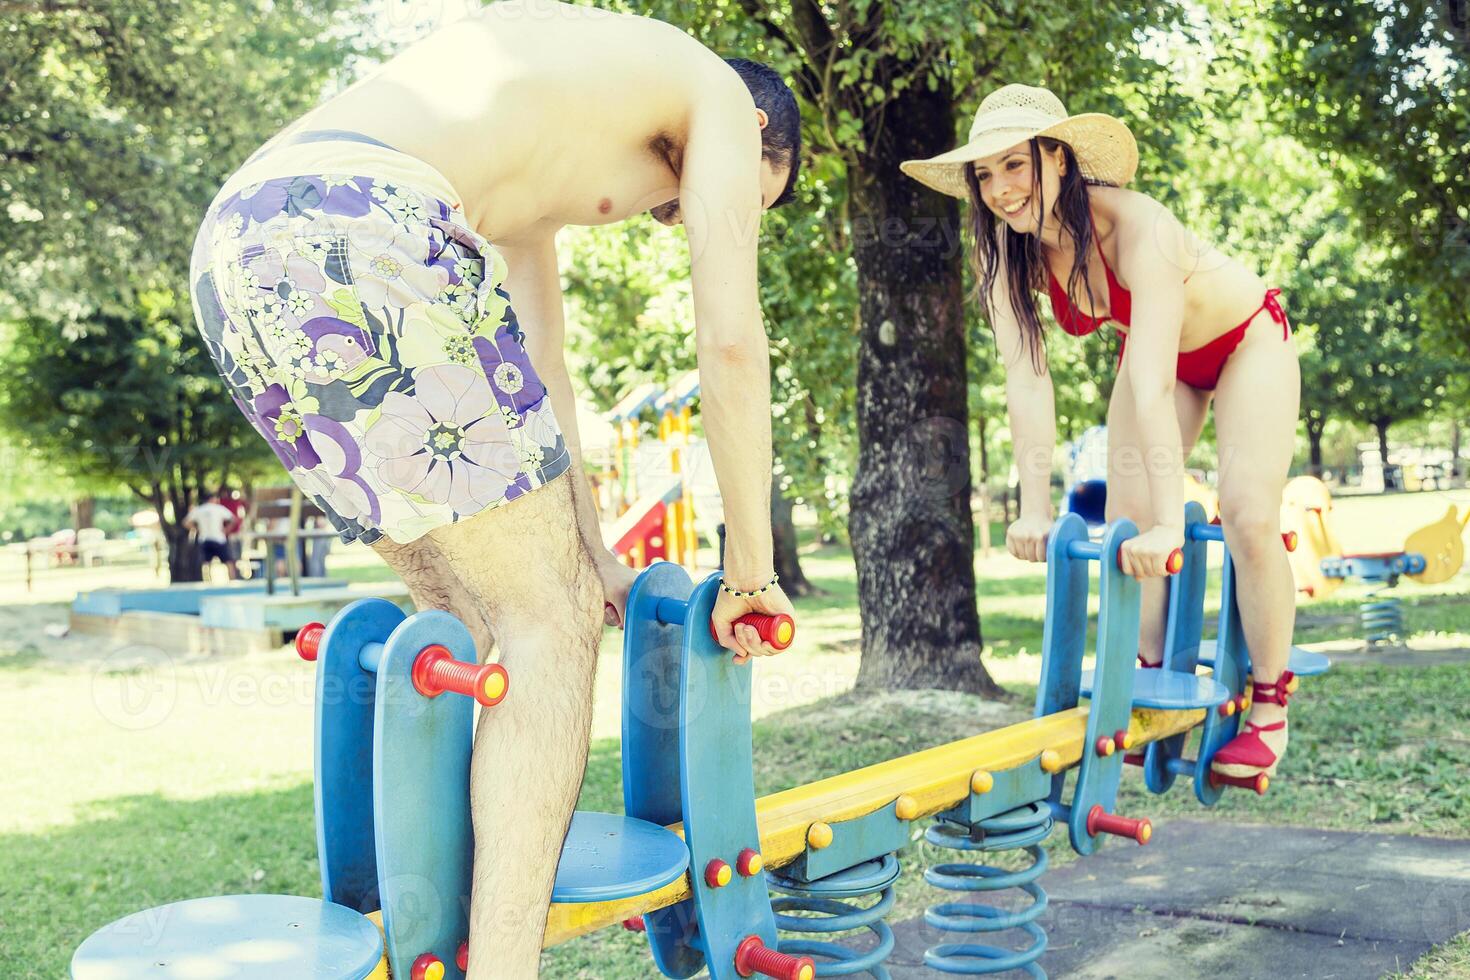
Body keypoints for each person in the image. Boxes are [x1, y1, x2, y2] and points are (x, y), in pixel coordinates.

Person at [187, 3, 799, 973]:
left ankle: (432, 928)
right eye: (738, 198)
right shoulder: (718, 92)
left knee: (472, 619)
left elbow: (532, 368)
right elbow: (729, 337)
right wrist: (753, 572)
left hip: (243, 247)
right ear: (761, 135)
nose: (684, 215)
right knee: (551, 625)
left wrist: (593, 545)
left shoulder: (540, 134)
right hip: (366, 221)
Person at [902, 84, 1299, 785]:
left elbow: (1147, 381)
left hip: (1244, 343)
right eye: (985, 175)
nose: (1000, 190)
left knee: (1246, 513)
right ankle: (1147, 691)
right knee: (1125, 522)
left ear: (1058, 158)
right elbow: (1025, 380)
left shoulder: (1141, 228)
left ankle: (1269, 704)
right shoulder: (1003, 250)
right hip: (1162, 361)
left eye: (1015, 166)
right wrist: (1031, 507)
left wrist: (1173, 522)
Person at [183, 493, 238, 580]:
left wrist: (197, 529)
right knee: (228, 562)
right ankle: (233, 581)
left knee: (206, 563)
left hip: (204, 538)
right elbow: (233, 519)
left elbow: (186, 522)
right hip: (219, 539)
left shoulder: (199, 510)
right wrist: (226, 530)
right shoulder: (219, 509)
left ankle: (207, 582)